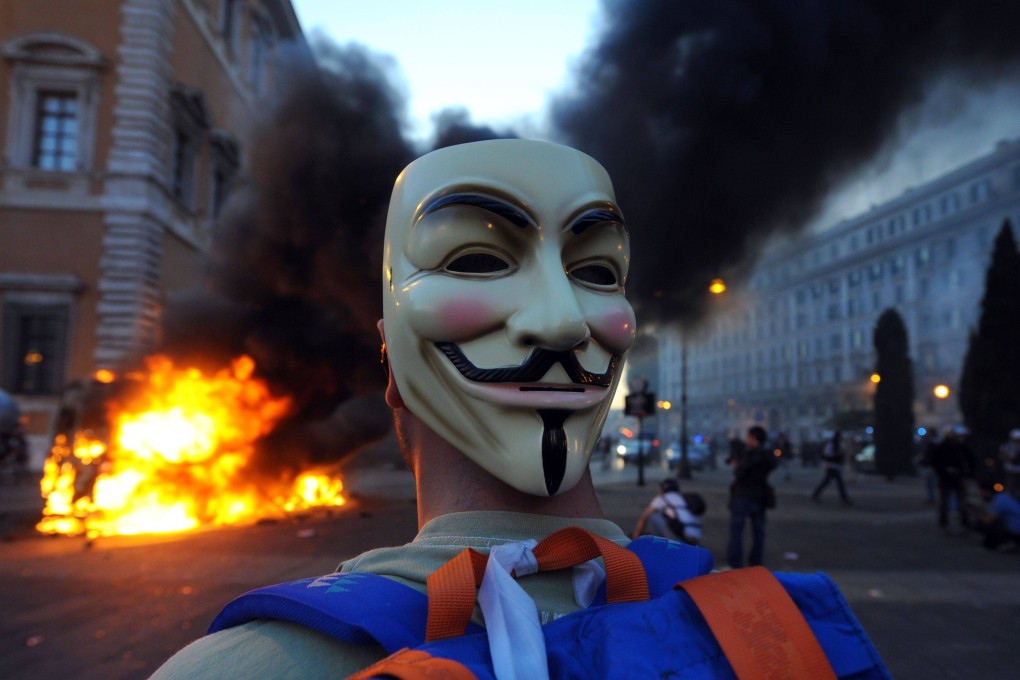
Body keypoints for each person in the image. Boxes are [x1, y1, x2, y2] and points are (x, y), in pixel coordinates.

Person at [151, 140, 888, 679]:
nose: (564, 321)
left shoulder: (247, 667)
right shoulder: (789, 643)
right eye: (475, 261)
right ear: (394, 345)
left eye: (597, 271)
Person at [726, 425, 778, 569]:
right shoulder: (767, 455)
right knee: (758, 532)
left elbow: (740, 473)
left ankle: (735, 562)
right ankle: (756, 562)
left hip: (743, 495)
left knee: (737, 531)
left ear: (753, 438)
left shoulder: (749, 455)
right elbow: (773, 465)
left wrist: (736, 465)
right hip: (760, 496)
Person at [930, 425, 976, 533]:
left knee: (962, 502)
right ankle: (944, 523)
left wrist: (968, 474)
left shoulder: (962, 447)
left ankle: (964, 522)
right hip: (946, 478)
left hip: (959, 478)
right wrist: (945, 470)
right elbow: (936, 462)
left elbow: (971, 460)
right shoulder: (942, 447)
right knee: (944, 502)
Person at [631, 478, 702, 545]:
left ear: (662, 489)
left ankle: (659, 545)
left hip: (681, 538)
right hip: (696, 536)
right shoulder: (683, 498)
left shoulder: (662, 498)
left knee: (654, 516)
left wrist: (635, 536)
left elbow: (644, 517)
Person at [971, 481, 1020, 550]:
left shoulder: (999, 501)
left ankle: (1004, 542)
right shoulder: (1002, 497)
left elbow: (989, 520)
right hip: (1014, 528)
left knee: (986, 524)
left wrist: (976, 514)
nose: (980, 495)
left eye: (982, 492)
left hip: (1016, 531)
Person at [811, 431, 851, 504]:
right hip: (831, 466)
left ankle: (815, 494)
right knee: (839, 483)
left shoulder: (837, 445)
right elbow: (826, 455)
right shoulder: (831, 445)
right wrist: (836, 455)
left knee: (827, 481)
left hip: (835, 466)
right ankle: (844, 498)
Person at [998, 429, 1020, 498]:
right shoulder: (1006, 446)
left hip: (1018, 471)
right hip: (1009, 470)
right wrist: (1010, 458)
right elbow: (1001, 456)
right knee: (1009, 487)